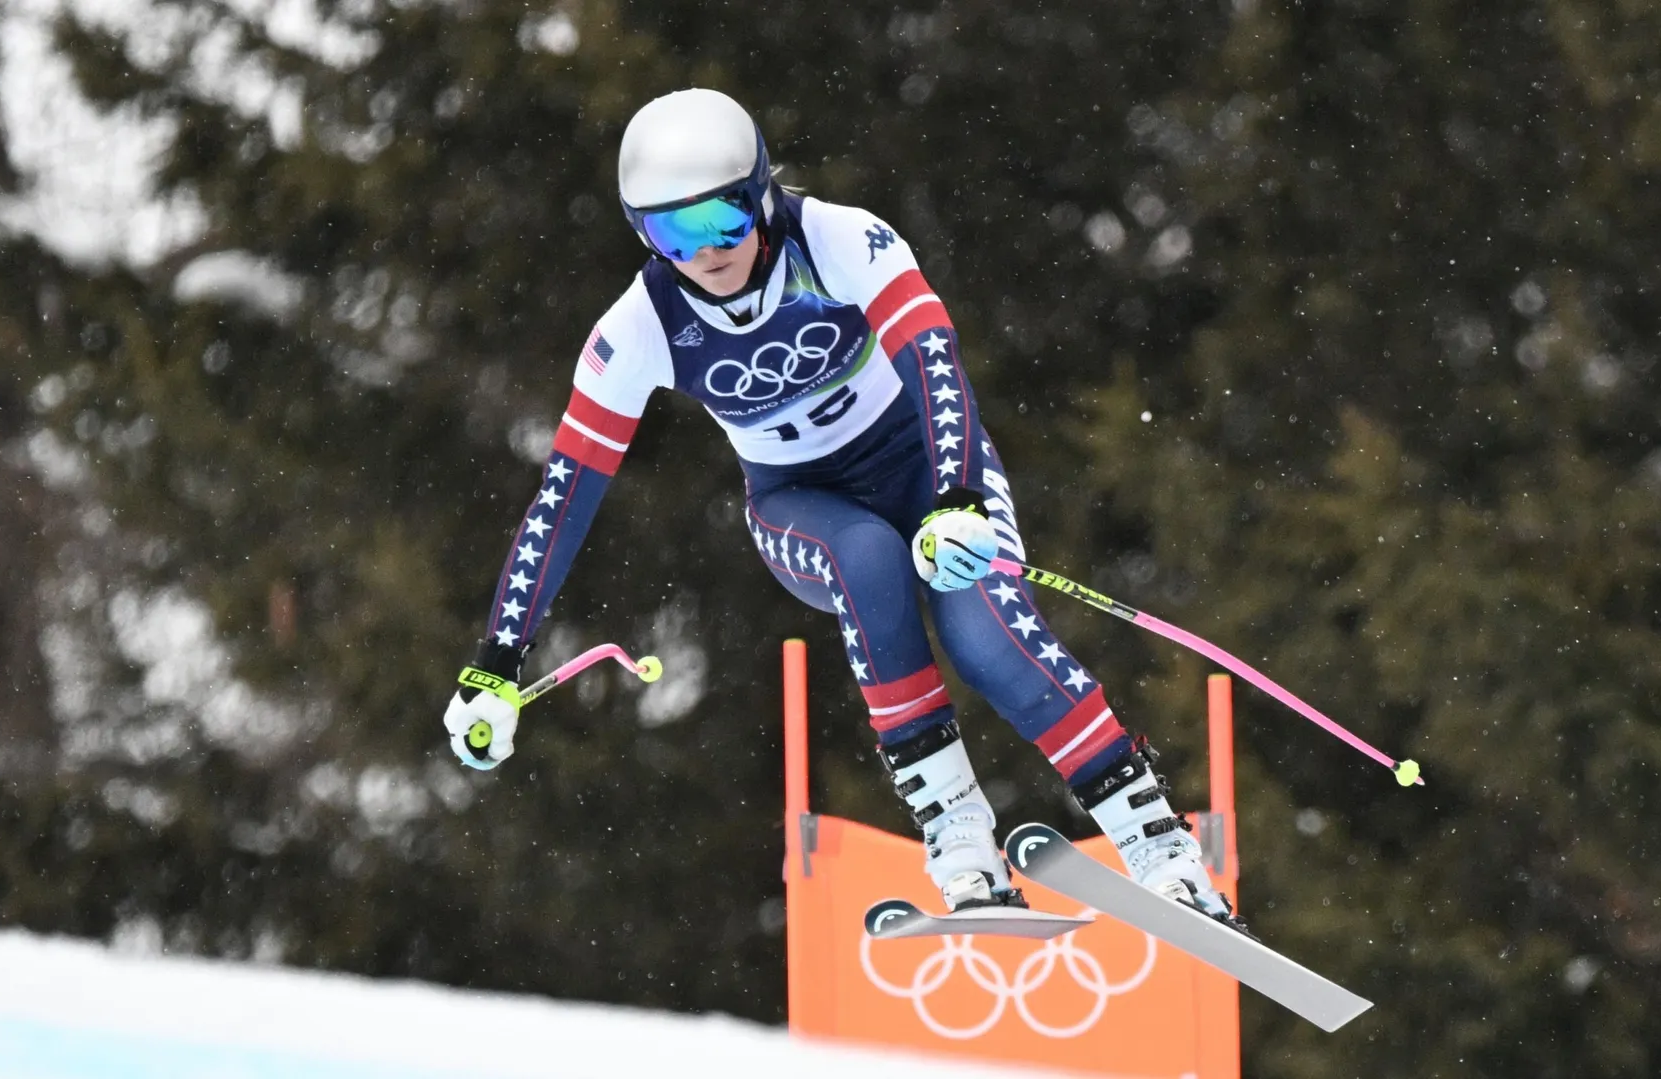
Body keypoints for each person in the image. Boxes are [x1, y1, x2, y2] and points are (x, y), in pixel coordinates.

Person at [442, 88, 1237, 923]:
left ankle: (1161, 851)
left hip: (930, 468)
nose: (707, 252)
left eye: (723, 218)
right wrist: (497, 658)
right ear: (643, 236)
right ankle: (960, 839)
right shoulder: (638, 326)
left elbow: (935, 360)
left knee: (988, 637)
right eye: (675, 234)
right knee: (866, 558)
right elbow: (564, 495)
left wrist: (959, 495)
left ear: (762, 193)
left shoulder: (837, 239)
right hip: (800, 504)